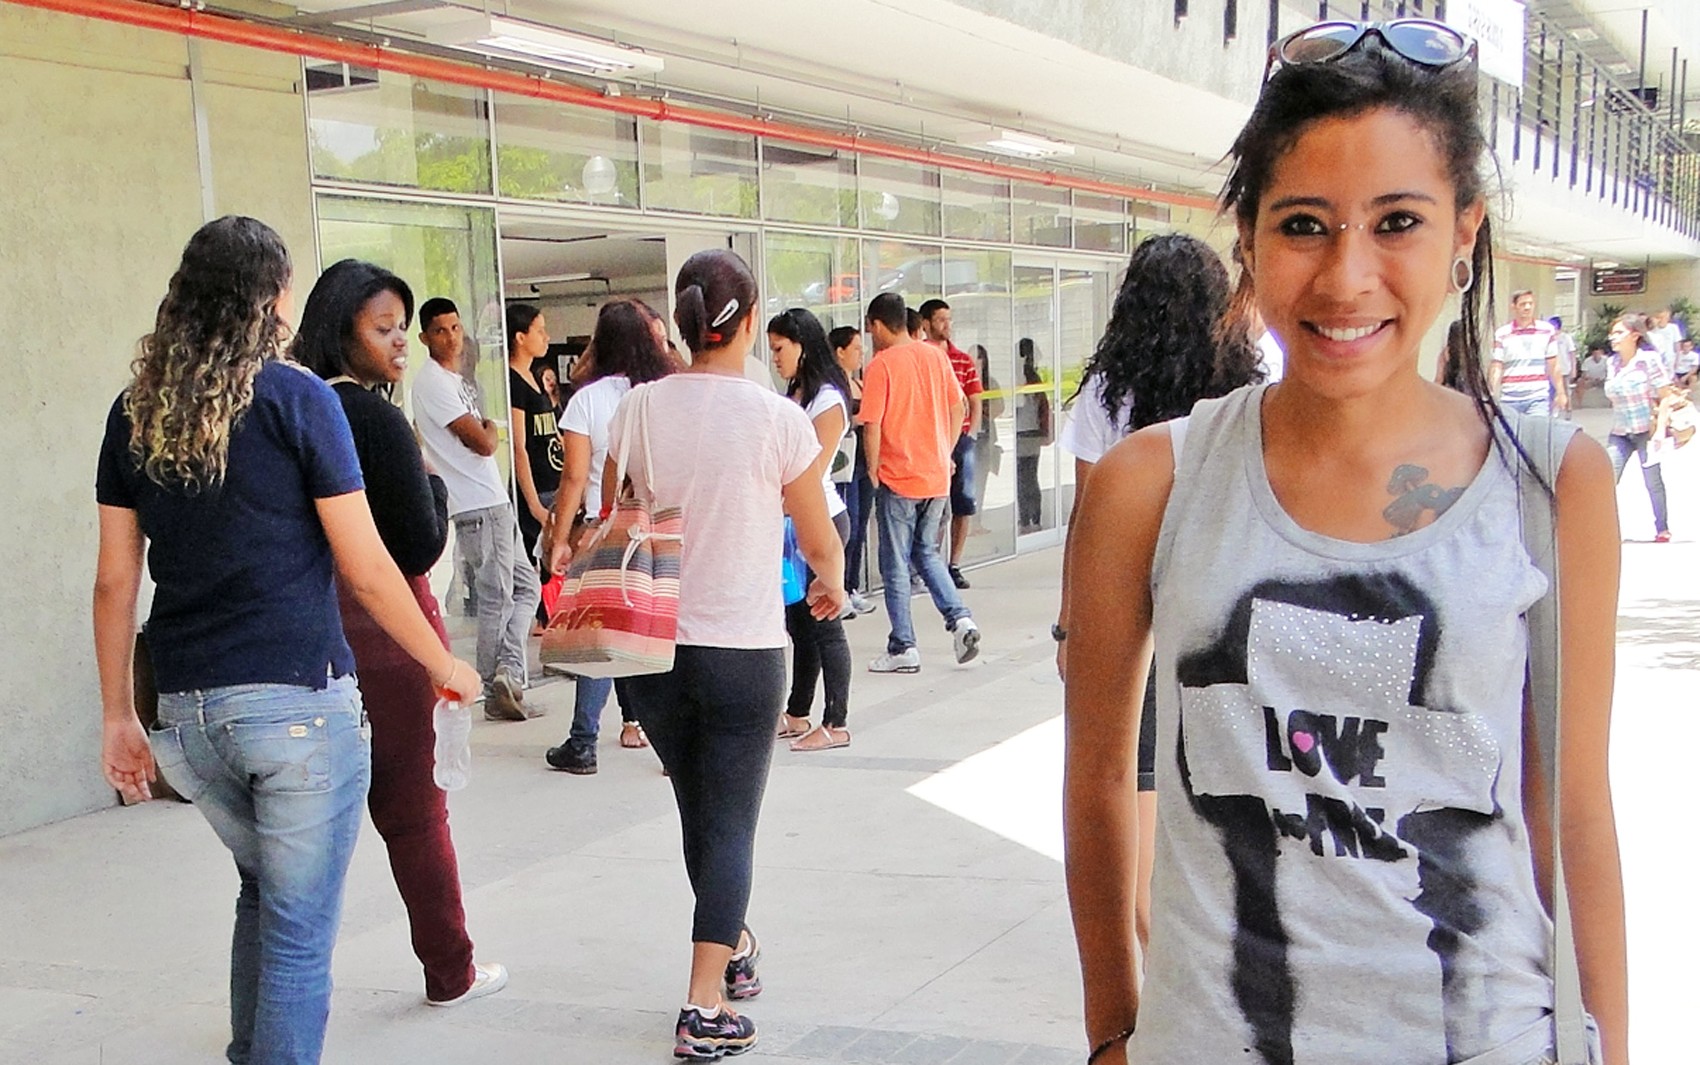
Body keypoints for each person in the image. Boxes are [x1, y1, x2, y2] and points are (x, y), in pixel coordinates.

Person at [1063, 21, 1627, 1065]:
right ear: (1246, 238)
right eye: (1304, 224)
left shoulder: (1551, 483)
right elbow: (1099, 774)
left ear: (1463, 232)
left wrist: (1613, 1045)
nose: (1345, 277)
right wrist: (1112, 1030)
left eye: (1396, 221)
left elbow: (1574, 812)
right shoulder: (1152, 483)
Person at [93, 217, 481, 1065]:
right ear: (269, 300)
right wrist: (444, 661)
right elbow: (372, 568)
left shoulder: (137, 410)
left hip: (186, 713)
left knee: (262, 890)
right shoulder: (300, 398)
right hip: (298, 706)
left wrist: (118, 714)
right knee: (301, 933)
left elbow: (116, 581)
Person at [576, 249, 845, 1060]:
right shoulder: (777, 419)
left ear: (686, 324)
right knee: (729, 824)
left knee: (700, 811)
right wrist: (828, 584)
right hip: (742, 646)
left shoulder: (637, 410)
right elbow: (820, 535)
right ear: (751, 321)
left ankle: (733, 938)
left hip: (649, 645)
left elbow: (617, 508)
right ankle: (703, 1006)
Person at [293, 259, 508, 1009]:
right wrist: (437, 485)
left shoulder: (279, 406)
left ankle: (282, 997)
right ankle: (451, 969)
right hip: (387, 631)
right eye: (383, 329)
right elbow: (415, 543)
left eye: (401, 330)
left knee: (295, 833)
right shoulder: (369, 417)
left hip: (297, 633)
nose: (400, 345)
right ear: (337, 328)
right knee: (415, 814)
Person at [1052, 233, 1262, 954]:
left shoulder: (1106, 399)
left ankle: (1149, 982)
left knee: (1130, 794)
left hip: (1132, 621)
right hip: (1229, 615)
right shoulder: (1250, 389)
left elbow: (1086, 527)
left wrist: (1069, 627)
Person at [540, 299, 674, 773]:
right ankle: (662, 741)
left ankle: (583, 742)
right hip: (664, 530)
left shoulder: (588, 401)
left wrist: (560, 539)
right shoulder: (666, 391)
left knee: (602, 634)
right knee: (651, 635)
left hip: (607, 530)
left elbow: (573, 479)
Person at [412, 297, 539, 721]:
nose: (450, 337)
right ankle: (493, 685)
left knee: (527, 588)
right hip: (478, 505)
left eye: (455, 327)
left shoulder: (456, 380)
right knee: (497, 598)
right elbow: (484, 441)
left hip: (493, 501)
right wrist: (489, 428)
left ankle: (508, 672)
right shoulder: (432, 383)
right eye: (440, 330)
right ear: (424, 337)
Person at [859, 292, 980, 673]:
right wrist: (945, 450)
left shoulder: (882, 365)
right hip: (936, 477)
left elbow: (872, 425)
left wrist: (874, 470)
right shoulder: (934, 356)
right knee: (926, 553)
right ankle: (961, 620)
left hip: (899, 477)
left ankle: (903, 646)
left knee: (895, 565)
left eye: (870, 329)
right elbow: (958, 406)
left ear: (878, 325)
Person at [768, 308, 856, 751]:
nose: (776, 359)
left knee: (826, 625)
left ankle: (836, 722)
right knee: (800, 624)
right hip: (796, 519)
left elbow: (810, 469)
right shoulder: (799, 391)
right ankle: (798, 712)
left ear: (802, 344)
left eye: (780, 349)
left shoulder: (828, 400)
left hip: (821, 519)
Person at [919, 299, 984, 589]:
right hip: (931, 441)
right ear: (926, 323)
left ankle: (953, 564)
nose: (947, 325)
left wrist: (971, 435)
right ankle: (928, 562)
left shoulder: (961, 359)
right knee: (934, 504)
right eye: (941, 319)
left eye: (949, 319)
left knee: (963, 502)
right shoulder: (920, 357)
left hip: (960, 439)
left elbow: (974, 398)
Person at [507, 303, 560, 633]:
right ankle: (542, 617)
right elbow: (519, 447)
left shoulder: (536, 377)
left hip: (554, 478)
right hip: (536, 486)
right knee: (537, 555)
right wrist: (533, 503)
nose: (546, 337)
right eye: (539, 331)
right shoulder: (514, 382)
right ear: (520, 337)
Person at [1604, 313, 1677, 543]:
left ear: (1635, 335)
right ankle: (1603, 529)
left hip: (1646, 430)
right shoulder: (1611, 363)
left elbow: (1665, 396)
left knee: (1652, 480)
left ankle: (1662, 527)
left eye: (1619, 333)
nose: (1612, 338)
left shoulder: (1649, 360)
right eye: (1612, 333)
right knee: (1606, 479)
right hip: (1620, 432)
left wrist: (1660, 430)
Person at [830, 325, 877, 616]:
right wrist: (859, 419)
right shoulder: (833, 387)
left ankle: (852, 584)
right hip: (843, 463)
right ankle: (840, 586)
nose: (861, 354)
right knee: (850, 520)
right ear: (840, 351)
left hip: (862, 460)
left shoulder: (860, 383)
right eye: (856, 349)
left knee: (860, 527)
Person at [1490, 289, 1568, 416]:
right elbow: (1497, 365)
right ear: (1513, 307)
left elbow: (1553, 365)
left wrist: (1560, 392)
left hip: (1537, 397)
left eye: (1530, 303)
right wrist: (1492, 393)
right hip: (1510, 399)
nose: (1527, 307)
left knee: (1536, 433)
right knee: (1510, 435)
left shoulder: (1546, 331)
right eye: (1522, 304)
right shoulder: (1502, 334)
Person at [1014, 338, 1052, 531]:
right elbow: (1043, 406)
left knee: (1023, 477)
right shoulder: (1033, 377)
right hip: (1032, 432)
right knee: (1030, 476)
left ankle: (1026, 518)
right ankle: (1033, 518)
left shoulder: (1019, 377)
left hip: (1023, 432)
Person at [1550, 315, 1577, 411]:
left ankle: (1568, 408)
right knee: (1552, 390)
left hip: (1565, 368)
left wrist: (1574, 369)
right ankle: (1554, 409)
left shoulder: (1566, 337)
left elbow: (1572, 353)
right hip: (1552, 369)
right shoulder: (1549, 338)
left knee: (1566, 389)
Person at [1647, 305, 1684, 375]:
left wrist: (1677, 359)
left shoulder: (1673, 328)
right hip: (1657, 358)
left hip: (1670, 357)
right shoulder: (1653, 330)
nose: (1661, 320)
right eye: (1659, 318)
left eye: (1664, 317)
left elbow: (1677, 344)